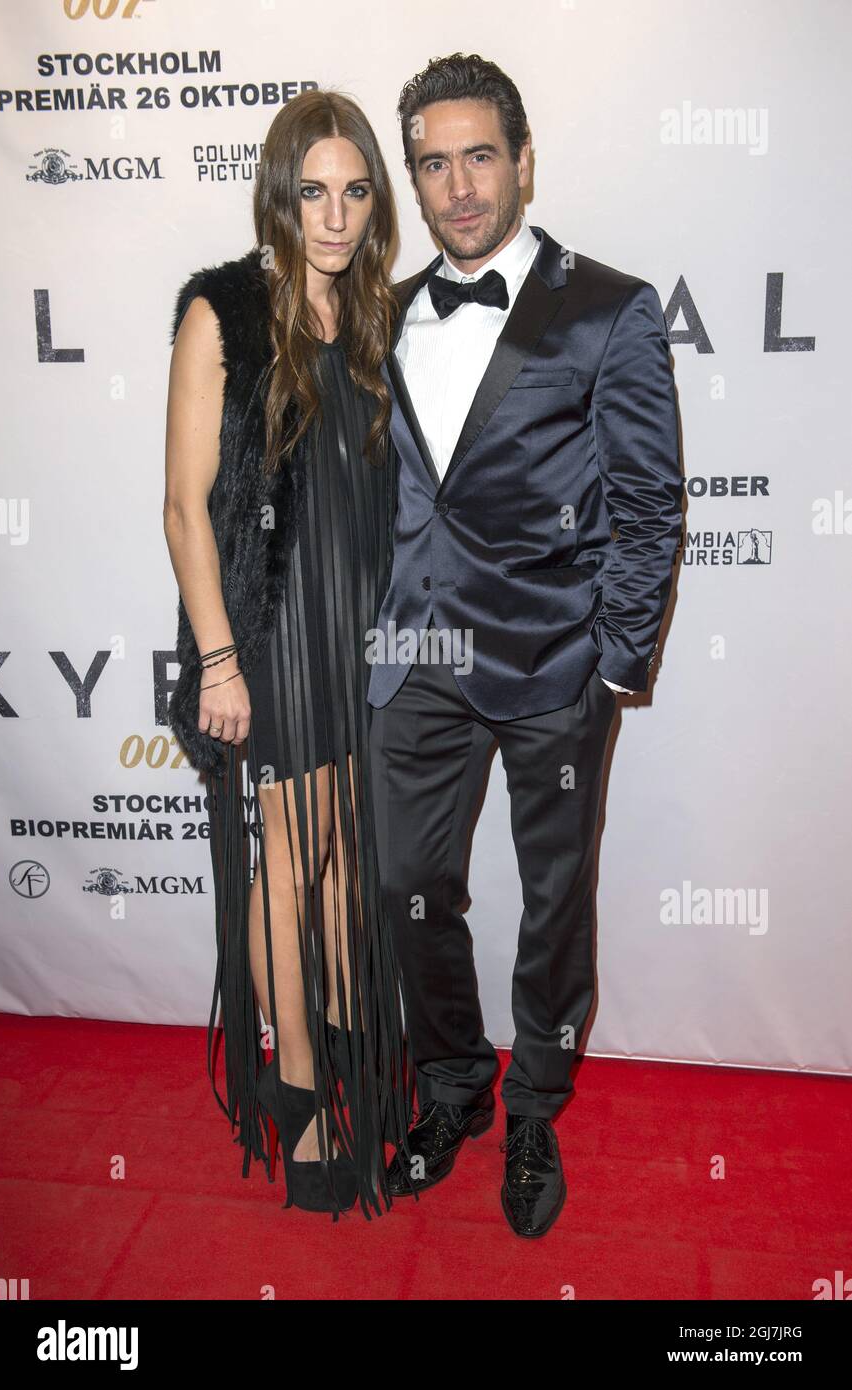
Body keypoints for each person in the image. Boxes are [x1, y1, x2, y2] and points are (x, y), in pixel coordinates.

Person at [367, 54, 683, 1237]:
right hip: (414, 663)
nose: (458, 187)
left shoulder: (606, 306)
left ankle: (538, 1106)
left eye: (479, 156)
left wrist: (614, 659)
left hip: (554, 666)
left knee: (554, 900)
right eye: (434, 163)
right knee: (407, 888)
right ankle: (453, 1083)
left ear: (523, 160)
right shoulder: (383, 310)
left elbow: (652, 499)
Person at [163, 90, 414, 1220]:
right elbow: (181, 507)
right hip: (272, 636)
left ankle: (361, 1063)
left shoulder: (368, 319)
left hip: (361, 634)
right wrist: (220, 662)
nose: (335, 213)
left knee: (345, 854)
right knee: (291, 860)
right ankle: (301, 1094)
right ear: (278, 191)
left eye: (355, 190)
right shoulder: (223, 309)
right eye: (313, 190)